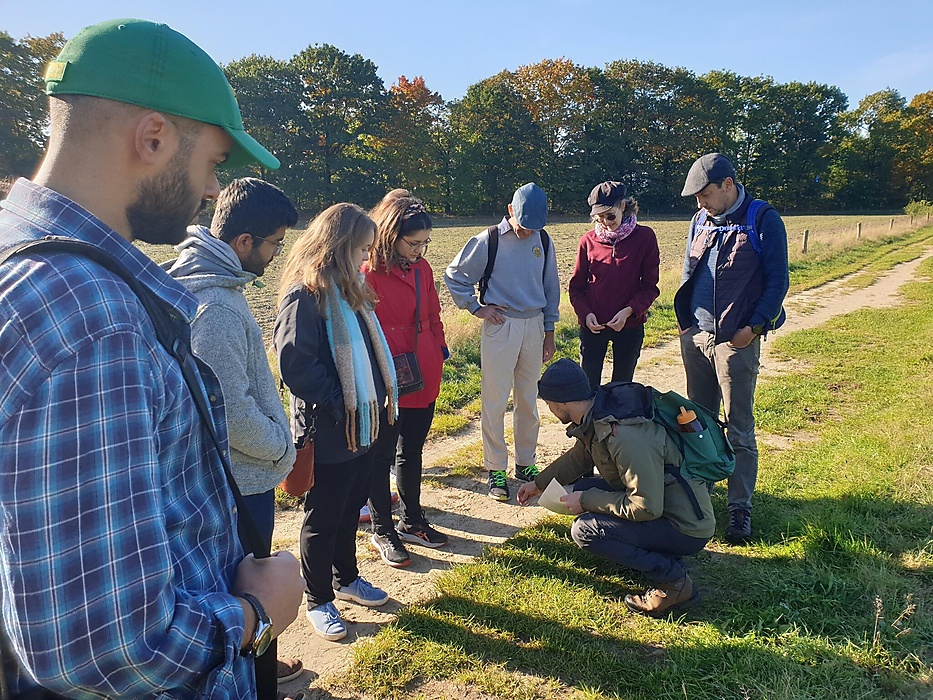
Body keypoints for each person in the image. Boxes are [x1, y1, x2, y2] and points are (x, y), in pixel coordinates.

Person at [0, 19, 304, 699]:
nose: (208, 191)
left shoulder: (20, 260)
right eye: (212, 163)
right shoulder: (90, 318)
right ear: (154, 137)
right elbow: (104, 649)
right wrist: (258, 615)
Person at [165, 177, 304, 690]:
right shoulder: (218, 308)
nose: (274, 255)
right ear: (243, 242)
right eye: (273, 244)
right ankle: (257, 678)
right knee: (251, 591)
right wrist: (279, 444)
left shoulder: (212, 286)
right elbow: (227, 409)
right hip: (240, 480)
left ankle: (261, 666)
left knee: (243, 587)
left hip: (233, 475)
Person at [274, 203, 397, 641]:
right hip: (331, 428)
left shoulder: (351, 288)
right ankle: (318, 598)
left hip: (362, 424)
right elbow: (295, 364)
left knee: (351, 508)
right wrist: (336, 402)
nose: (367, 258)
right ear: (339, 247)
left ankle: (347, 579)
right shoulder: (304, 295)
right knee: (324, 517)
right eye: (361, 249)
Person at [516, 359, 714, 616]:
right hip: (670, 508)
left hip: (685, 527)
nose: (550, 410)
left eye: (548, 404)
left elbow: (645, 507)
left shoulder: (625, 436)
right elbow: (581, 456)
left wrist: (586, 499)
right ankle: (654, 552)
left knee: (586, 530)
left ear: (560, 403)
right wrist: (538, 484)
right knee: (584, 484)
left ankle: (674, 582)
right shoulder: (599, 413)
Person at [675, 153, 789, 545]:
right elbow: (689, 273)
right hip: (696, 338)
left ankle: (740, 508)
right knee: (697, 424)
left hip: (736, 342)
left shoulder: (762, 219)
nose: (699, 204)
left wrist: (752, 329)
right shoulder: (699, 221)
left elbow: (778, 281)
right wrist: (686, 325)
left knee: (738, 427)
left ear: (727, 184)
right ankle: (700, 499)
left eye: (704, 194)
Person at [444, 183, 560, 502]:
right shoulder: (489, 239)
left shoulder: (544, 240)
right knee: (495, 400)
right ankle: (496, 468)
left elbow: (551, 288)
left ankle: (526, 464)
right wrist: (477, 307)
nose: (527, 233)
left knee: (528, 400)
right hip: (501, 326)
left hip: (534, 325)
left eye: (534, 227)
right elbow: (455, 276)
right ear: (511, 211)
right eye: (523, 225)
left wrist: (549, 332)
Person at [364, 192, 449, 568]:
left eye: (423, 243)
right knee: (379, 456)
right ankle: (382, 528)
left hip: (422, 369)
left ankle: (413, 519)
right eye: (413, 243)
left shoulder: (423, 269)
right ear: (390, 234)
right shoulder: (365, 272)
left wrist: (439, 349)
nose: (419, 250)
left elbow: (433, 315)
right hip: (385, 376)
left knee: (411, 450)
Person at [569, 181, 660, 391]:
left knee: (622, 390)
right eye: (599, 218)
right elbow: (576, 288)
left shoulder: (645, 237)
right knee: (588, 391)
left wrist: (629, 312)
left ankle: (616, 425)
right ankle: (591, 425)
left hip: (629, 326)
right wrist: (585, 315)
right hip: (593, 328)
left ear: (623, 206)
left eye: (610, 216)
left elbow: (649, 287)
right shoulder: (587, 241)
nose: (605, 222)